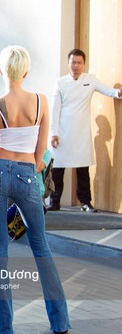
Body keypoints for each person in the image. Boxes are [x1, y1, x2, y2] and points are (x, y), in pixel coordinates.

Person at [0, 45, 70, 334]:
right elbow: (42, 150)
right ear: (25, 72)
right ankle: (60, 322)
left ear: (1, 71)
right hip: (28, 174)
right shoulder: (41, 101)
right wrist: (29, 169)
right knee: (40, 246)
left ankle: (4, 327)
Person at [48, 48, 122, 212]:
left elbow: (107, 90)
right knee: (58, 169)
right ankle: (54, 201)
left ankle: (85, 202)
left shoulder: (91, 79)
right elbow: (54, 109)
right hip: (62, 132)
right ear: (68, 63)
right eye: (73, 62)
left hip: (81, 133)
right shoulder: (60, 82)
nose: (76, 66)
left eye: (79, 62)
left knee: (83, 168)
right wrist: (53, 133)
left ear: (84, 64)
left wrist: (118, 93)